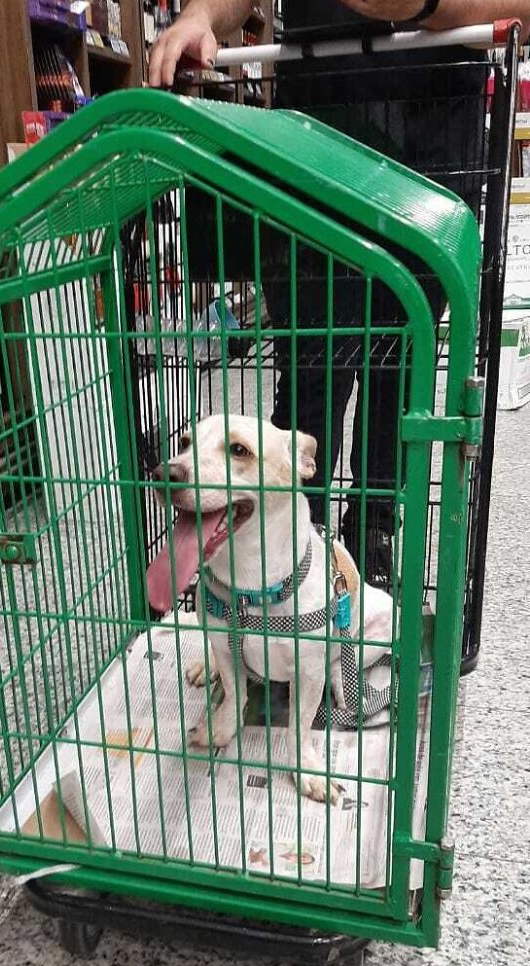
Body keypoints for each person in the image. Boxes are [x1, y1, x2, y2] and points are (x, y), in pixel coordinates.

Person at [149, 0, 529, 586]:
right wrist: (200, 15)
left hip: (431, 145)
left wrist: (422, 6)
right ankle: (293, 542)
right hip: (313, 140)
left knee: (398, 367)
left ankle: (371, 535)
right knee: (311, 364)